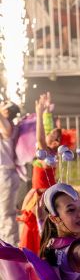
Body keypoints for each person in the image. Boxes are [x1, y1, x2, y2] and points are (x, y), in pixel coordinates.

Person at [18, 94, 58, 253]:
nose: (52, 133)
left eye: (55, 134)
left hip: (43, 201)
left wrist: (39, 114)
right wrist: (47, 111)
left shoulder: (49, 156)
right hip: (37, 196)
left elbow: (42, 138)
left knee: (39, 231)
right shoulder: (46, 153)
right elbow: (45, 134)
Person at [0, 100, 20, 245]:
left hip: (6, 175)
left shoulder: (8, 127)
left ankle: (11, 251)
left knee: (7, 216)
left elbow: (5, 128)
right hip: (4, 175)